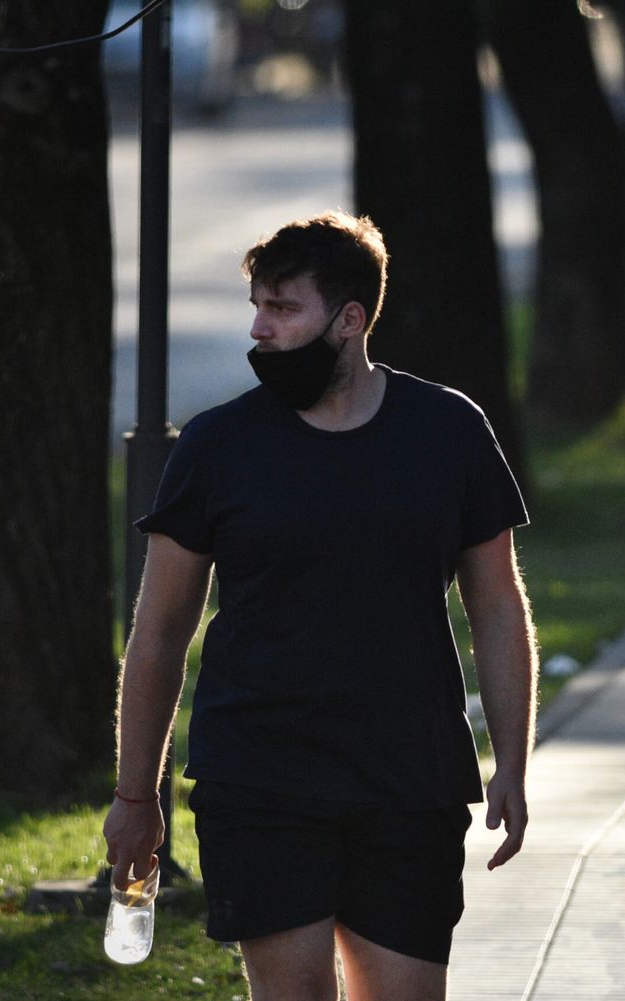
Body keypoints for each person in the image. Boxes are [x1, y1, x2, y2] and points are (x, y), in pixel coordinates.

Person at [102, 211, 537, 1001]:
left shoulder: (448, 430)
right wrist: (136, 795)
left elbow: (498, 604)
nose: (260, 330)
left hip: (410, 774)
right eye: (257, 307)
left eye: (282, 308)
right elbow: (159, 631)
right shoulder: (218, 444)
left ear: (350, 320)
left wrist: (512, 757)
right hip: (261, 775)